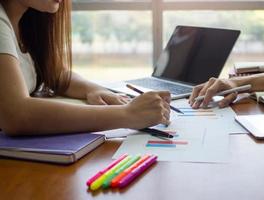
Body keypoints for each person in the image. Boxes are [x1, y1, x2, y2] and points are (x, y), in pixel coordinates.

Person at [0, 0, 171, 136]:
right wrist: (127, 114)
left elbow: (58, 74)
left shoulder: (26, 22)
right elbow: (16, 115)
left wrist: (94, 89)